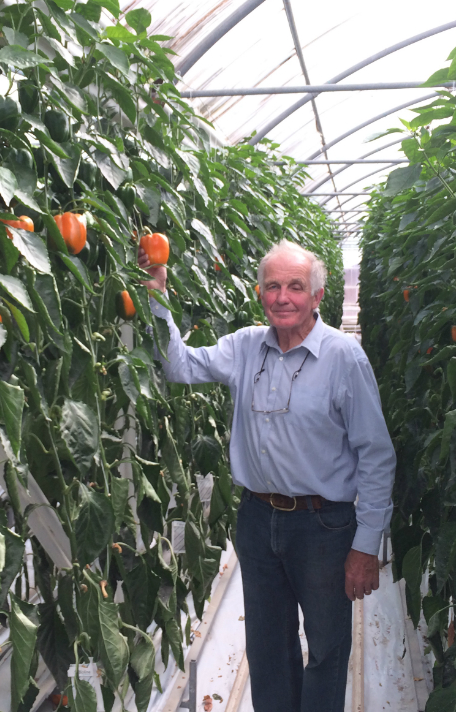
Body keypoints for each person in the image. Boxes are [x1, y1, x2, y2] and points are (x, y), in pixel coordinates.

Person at [138, 239, 396, 712]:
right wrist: (156, 293)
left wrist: (366, 544)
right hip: (257, 520)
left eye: (295, 287)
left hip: (323, 526)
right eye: (272, 286)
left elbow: (376, 455)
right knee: (268, 649)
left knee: (326, 648)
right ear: (260, 293)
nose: (282, 297)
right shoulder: (244, 347)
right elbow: (178, 366)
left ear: (317, 296)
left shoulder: (343, 358)